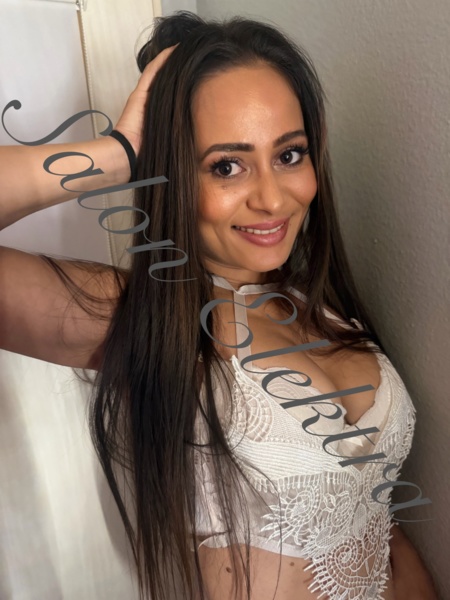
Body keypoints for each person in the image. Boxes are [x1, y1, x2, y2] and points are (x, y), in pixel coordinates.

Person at [0, 10, 438, 600]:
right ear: (173, 174)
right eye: (226, 166)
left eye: (289, 155)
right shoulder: (144, 320)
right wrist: (120, 153)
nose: (271, 198)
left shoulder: (323, 305)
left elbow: (380, 524)